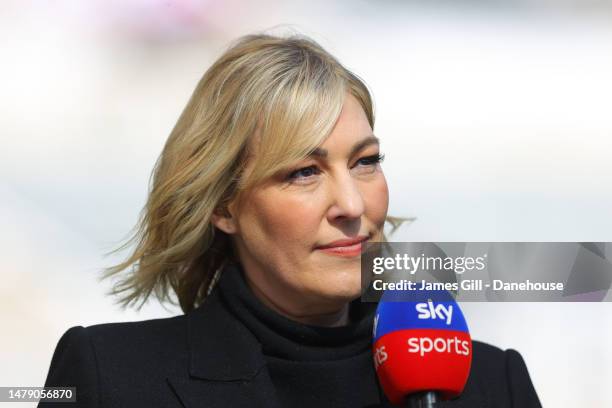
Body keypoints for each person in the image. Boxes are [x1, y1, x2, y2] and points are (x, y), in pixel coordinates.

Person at [40, 32, 542, 407]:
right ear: (222, 205)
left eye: (365, 162)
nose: (352, 204)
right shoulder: (110, 377)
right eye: (304, 172)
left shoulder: (495, 383)